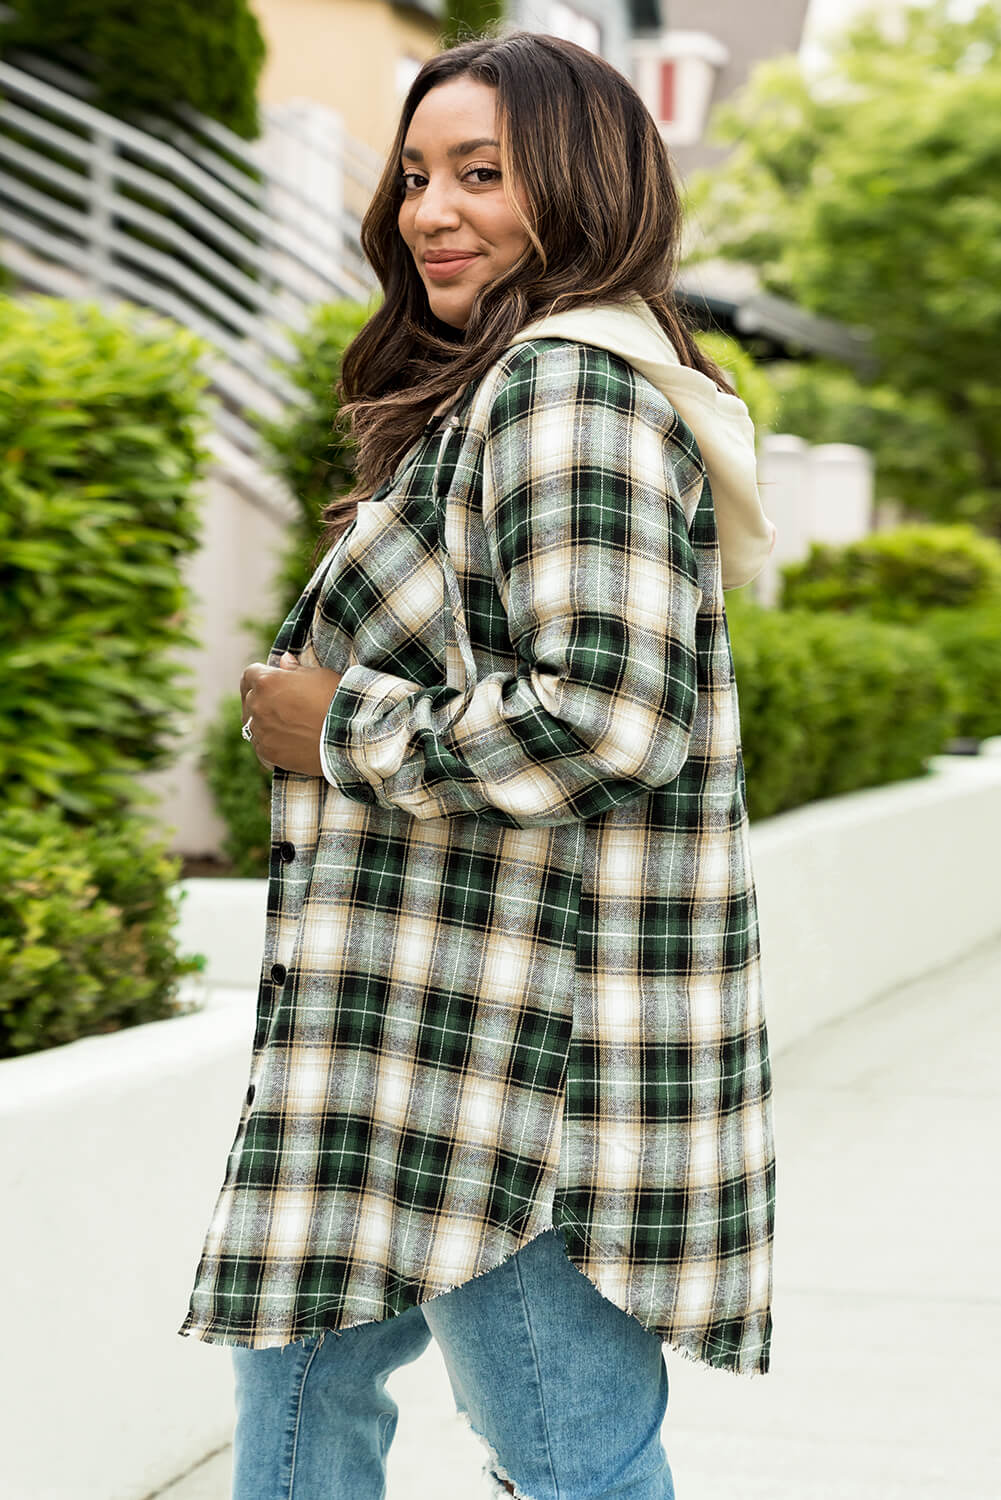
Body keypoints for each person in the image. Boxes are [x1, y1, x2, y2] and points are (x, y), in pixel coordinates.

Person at [180, 31, 777, 1500]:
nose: (426, 212)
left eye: (481, 175)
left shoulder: (566, 393)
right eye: (413, 175)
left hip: (509, 1059)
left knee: (566, 1452)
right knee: (304, 1387)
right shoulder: (505, 384)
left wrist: (336, 729)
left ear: (577, 187)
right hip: (412, 1019)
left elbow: (613, 716)